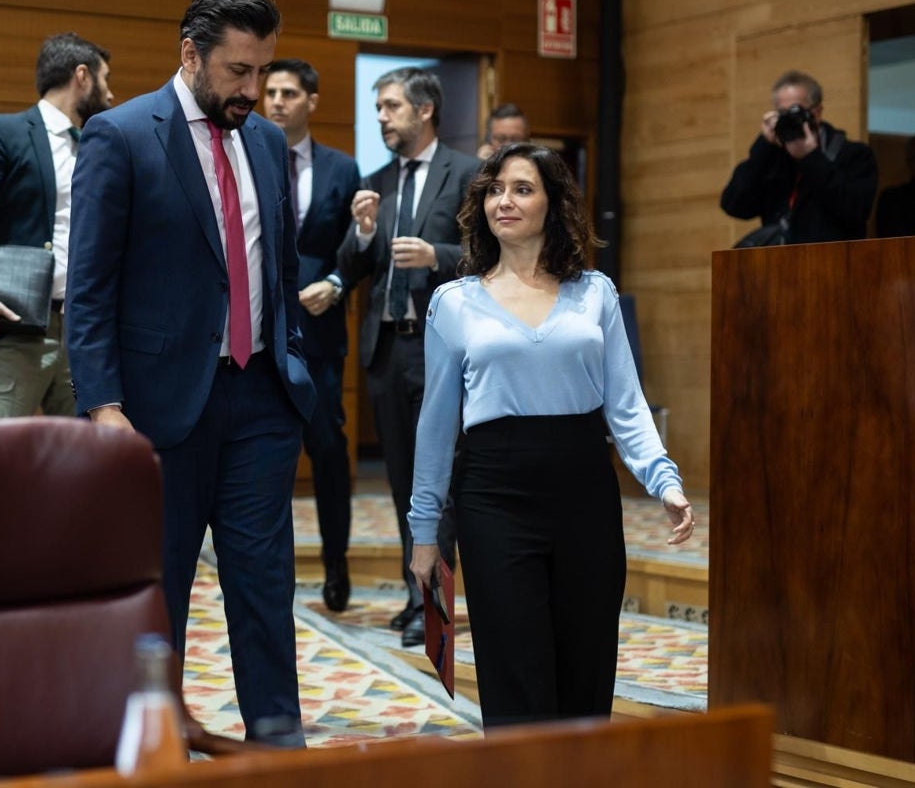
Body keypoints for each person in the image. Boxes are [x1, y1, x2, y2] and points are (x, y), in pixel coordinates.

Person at [65, 0, 315, 748]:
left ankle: (279, 748)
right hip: (158, 412)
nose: (252, 91)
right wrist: (103, 403)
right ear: (190, 55)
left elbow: (277, 264)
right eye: (239, 72)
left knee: (265, 589)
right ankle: (153, 743)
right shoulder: (122, 134)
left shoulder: (268, 144)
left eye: (262, 71)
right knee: (158, 593)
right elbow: (90, 287)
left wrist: (290, 362)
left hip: (261, 401)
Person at [409, 142, 694, 729]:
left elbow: (626, 401)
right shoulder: (453, 302)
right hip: (493, 495)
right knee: (515, 670)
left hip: (585, 488)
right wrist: (423, 530)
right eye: (493, 190)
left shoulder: (596, 292)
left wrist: (661, 478)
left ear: (553, 203)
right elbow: (435, 423)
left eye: (521, 188)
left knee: (585, 669)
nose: (504, 201)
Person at [336, 67, 478, 648]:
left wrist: (436, 254)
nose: (380, 118)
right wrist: (364, 232)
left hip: (439, 347)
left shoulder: (467, 174)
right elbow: (350, 266)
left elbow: (486, 252)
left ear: (424, 111)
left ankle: (436, 606)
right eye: (377, 108)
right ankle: (412, 592)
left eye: (390, 106)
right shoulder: (375, 181)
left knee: (437, 485)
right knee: (400, 483)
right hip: (387, 349)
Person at [0, 32, 112, 418]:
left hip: (81, 331)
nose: (110, 94)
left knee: (79, 464)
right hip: (14, 327)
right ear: (82, 76)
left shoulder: (95, 146)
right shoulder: (5, 132)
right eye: (105, 80)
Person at [263, 58, 361, 612]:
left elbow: (359, 247)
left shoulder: (343, 169)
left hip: (319, 333)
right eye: (270, 91)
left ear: (311, 100)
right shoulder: (245, 154)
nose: (275, 100)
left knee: (326, 450)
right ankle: (273, 572)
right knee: (266, 455)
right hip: (258, 331)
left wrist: (338, 281)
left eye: (288, 92)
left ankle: (336, 565)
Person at [720, 69, 877, 244]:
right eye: (782, 114)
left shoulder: (853, 155)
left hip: (835, 261)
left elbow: (854, 211)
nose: (789, 120)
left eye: (795, 112)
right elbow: (734, 205)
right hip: (779, 263)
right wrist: (763, 145)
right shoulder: (774, 157)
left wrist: (810, 157)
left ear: (816, 113)